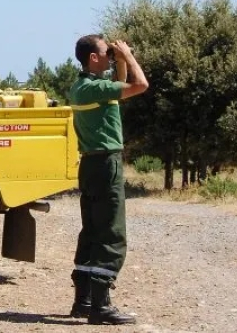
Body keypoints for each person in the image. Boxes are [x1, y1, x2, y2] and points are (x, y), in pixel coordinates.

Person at [68, 34, 149, 325]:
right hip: (106, 164)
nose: (111, 55)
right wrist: (128, 55)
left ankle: (84, 300)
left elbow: (121, 84)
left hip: (90, 164)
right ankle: (101, 305)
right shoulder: (97, 89)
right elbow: (140, 86)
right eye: (106, 52)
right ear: (93, 58)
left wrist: (118, 61)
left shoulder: (83, 87)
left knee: (91, 231)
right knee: (111, 234)